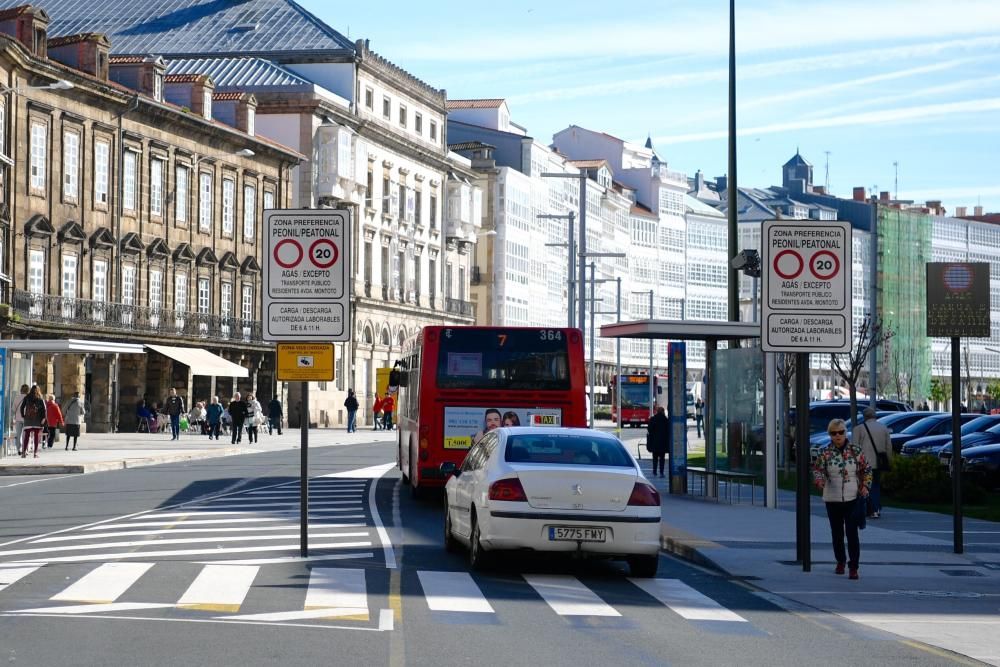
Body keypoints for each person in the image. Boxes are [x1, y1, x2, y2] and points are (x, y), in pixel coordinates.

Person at [812, 418, 872, 580]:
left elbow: (866, 469)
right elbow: (817, 470)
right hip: (832, 498)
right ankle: (840, 561)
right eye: (833, 433)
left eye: (840, 432)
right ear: (830, 434)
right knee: (837, 533)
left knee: (852, 533)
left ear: (846, 433)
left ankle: (854, 566)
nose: (837, 436)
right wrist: (820, 480)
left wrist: (865, 486)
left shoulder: (855, 451)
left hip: (852, 498)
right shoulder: (825, 453)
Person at [854, 407, 892, 519]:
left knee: (864, 486)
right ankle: (875, 509)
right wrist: (888, 461)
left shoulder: (859, 429)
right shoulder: (883, 428)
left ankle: (869, 509)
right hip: (878, 463)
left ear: (865, 417)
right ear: (875, 416)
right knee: (875, 485)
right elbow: (888, 447)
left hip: (864, 463)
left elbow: (855, 448)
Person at [19, 385, 46, 458]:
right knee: (36, 437)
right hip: (37, 420)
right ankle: (35, 453)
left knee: (26, 436)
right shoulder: (40, 399)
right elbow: (44, 410)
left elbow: (22, 407)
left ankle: (24, 453)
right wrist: (43, 418)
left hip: (28, 420)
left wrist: (23, 415)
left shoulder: (27, 397)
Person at [646, 406, 670, 478]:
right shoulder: (665, 420)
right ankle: (661, 472)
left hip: (654, 443)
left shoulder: (653, 419)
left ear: (657, 411)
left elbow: (649, 429)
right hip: (663, 443)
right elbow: (668, 431)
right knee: (662, 458)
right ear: (663, 412)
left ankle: (654, 471)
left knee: (655, 458)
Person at [12, 384, 29, 449]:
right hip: (26, 419)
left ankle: (18, 448)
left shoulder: (17, 398)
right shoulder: (29, 398)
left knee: (18, 434)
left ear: (21, 390)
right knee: (25, 434)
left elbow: (13, 409)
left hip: (18, 419)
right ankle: (25, 448)